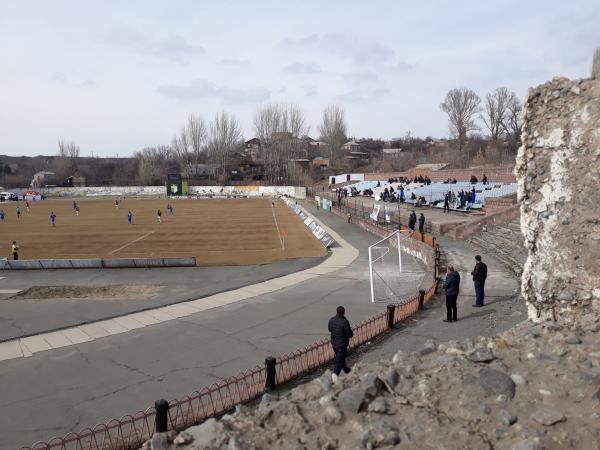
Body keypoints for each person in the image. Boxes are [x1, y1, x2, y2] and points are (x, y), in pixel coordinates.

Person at [328, 306, 354, 382]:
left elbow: (329, 329)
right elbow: (349, 334)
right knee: (339, 360)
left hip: (334, 343)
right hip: (342, 344)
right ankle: (335, 374)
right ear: (343, 312)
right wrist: (351, 333)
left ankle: (347, 370)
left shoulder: (331, 320)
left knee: (340, 358)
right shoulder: (344, 322)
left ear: (336, 312)